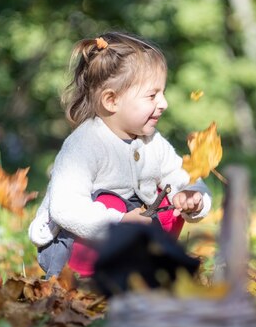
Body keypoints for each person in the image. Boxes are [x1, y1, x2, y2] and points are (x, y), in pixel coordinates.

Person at [28, 32, 212, 279]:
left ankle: (149, 265)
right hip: (79, 243)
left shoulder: (153, 143)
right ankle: (97, 275)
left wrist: (193, 197)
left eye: (163, 93)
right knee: (111, 202)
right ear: (112, 100)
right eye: (152, 95)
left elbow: (184, 176)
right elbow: (65, 208)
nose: (164, 103)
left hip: (131, 237)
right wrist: (120, 222)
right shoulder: (83, 145)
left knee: (169, 201)